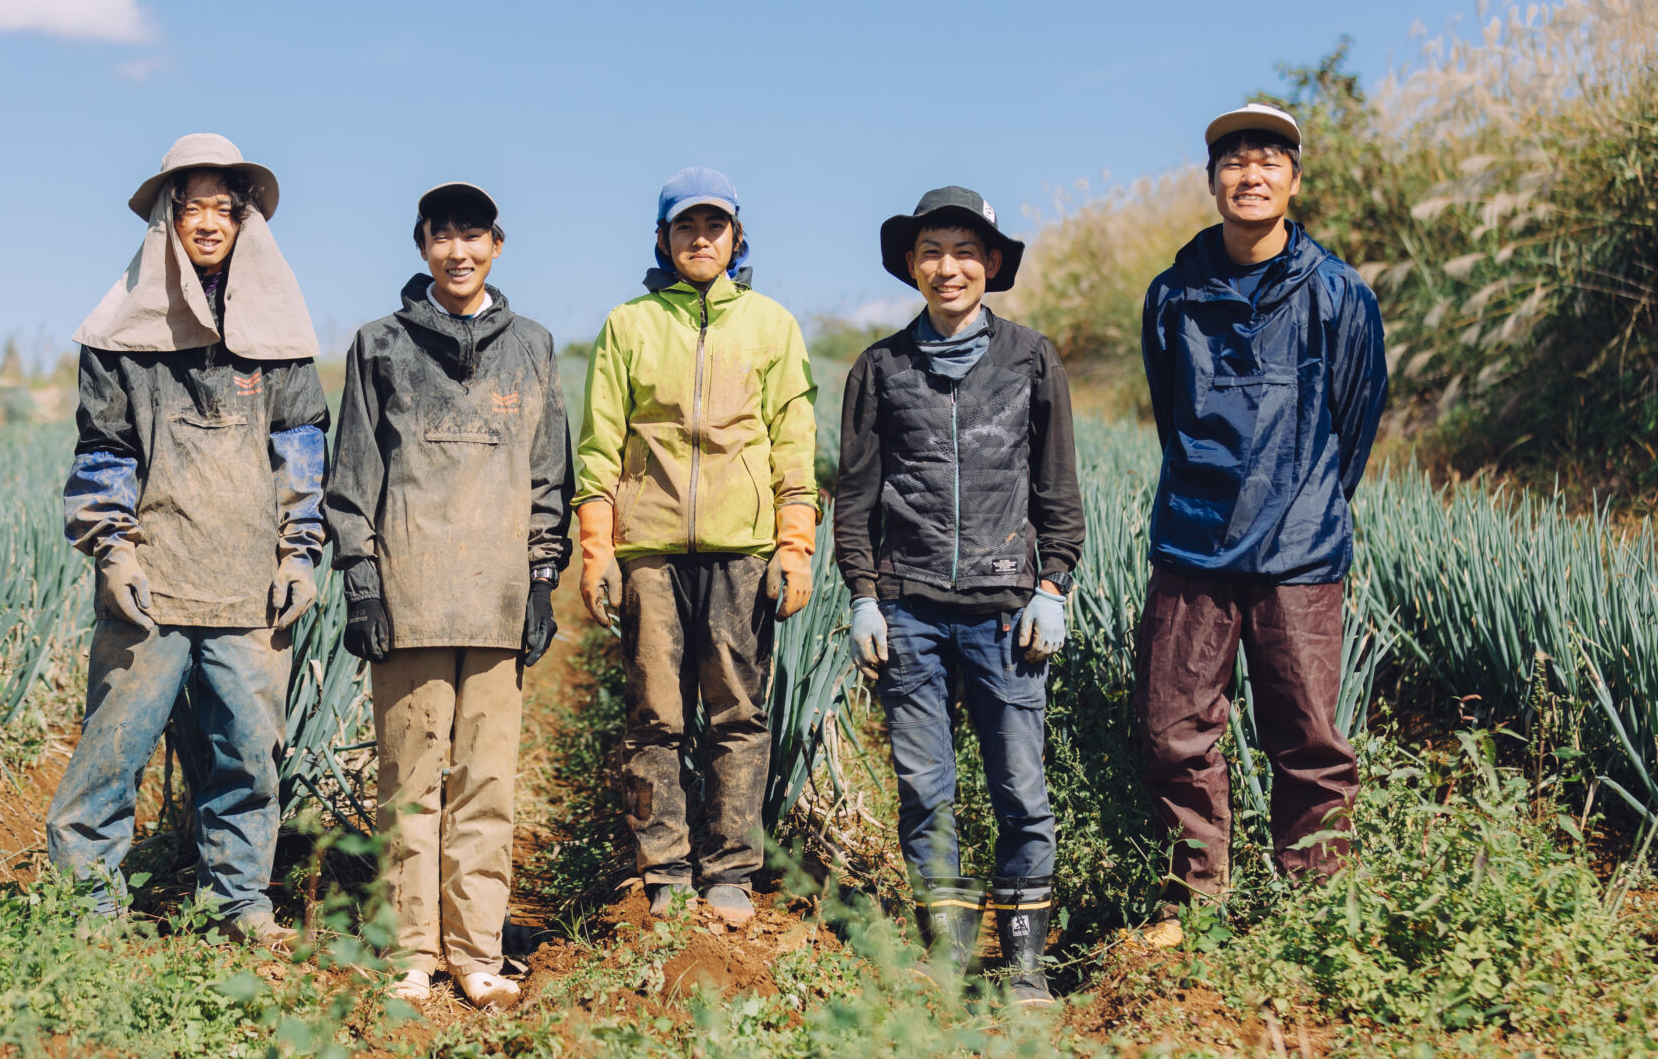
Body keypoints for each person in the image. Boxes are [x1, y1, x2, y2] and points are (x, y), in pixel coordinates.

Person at [49, 133, 328, 947]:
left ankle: (237, 904)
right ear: (167, 220)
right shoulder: (122, 338)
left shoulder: (275, 336)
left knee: (246, 754)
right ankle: (84, 913)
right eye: (191, 207)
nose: (207, 222)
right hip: (153, 581)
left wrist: (298, 552)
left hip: (249, 586)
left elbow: (301, 444)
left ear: (244, 223)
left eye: (222, 208)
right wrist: (115, 549)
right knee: (112, 753)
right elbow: (103, 449)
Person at [1135, 103, 1388, 948]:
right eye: (1234, 162)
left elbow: (1355, 419)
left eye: (1268, 161)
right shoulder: (1173, 294)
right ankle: (1194, 894)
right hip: (1193, 543)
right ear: (1212, 184)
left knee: (1309, 736)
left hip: (1302, 550)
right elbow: (1172, 414)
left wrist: (1307, 496)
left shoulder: (1338, 293)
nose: (1251, 175)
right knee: (1175, 727)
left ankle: (1313, 909)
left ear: (1294, 180)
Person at [323, 183, 572, 1009]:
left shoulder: (532, 346)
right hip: (411, 594)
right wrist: (362, 579)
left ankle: (476, 952)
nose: (458, 251)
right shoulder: (380, 345)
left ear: (497, 245)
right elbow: (352, 475)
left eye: (474, 236)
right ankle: (412, 951)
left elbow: (548, 478)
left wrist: (541, 580)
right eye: (443, 237)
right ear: (422, 245)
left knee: (487, 787)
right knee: (410, 779)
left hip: (499, 602)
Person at [834, 186, 1085, 1001]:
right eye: (933, 251)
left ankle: (1024, 966)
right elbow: (856, 498)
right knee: (926, 789)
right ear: (911, 265)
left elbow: (1056, 489)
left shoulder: (1031, 358)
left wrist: (1053, 584)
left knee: (1020, 789)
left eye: (966, 252)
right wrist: (864, 596)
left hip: (1007, 612)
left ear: (993, 265)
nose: (950, 267)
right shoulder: (880, 368)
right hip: (907, 611)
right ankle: (945, 960)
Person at [573, 167, 818, 929]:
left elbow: (794, 440)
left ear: (737, 238)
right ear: (662, 239)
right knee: (653, 717)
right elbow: (600, 443)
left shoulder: (771, 325)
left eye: (714, 227)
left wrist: (796, 541)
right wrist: (596, 546)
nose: (700, 239)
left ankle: (730, 872)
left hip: (742, 551)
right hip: (648, 549)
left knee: (738, 714)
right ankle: (664, 870)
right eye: (685, 227)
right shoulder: (629, 324)